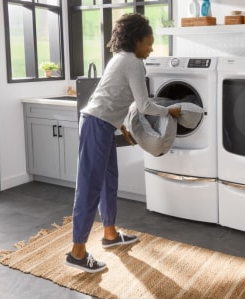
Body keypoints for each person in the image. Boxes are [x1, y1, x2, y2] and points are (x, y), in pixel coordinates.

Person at [65, 13, 181, 273]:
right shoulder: (133, 62)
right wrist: (169, 111)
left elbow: (110, 96)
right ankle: (77, 252)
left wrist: (122, 126)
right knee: (90, 187)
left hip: (103, 124)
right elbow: (145, 105)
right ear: (136, 40)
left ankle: (109, 234)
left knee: (108, 181)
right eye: (149, 43)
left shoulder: (119, 58)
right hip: (97, 124)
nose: (151, 49)